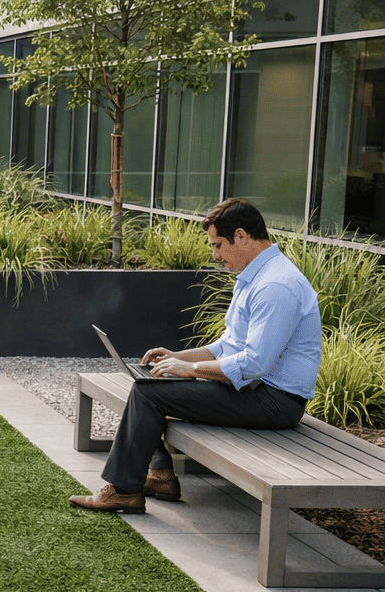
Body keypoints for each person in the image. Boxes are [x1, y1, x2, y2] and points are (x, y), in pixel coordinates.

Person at [70, 198, 322, 514]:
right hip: (253, 391)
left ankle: (125, 492)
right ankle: (159, 476)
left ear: (241, 236)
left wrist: (189, 371)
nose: (215, 254)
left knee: (149, 395)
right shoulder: (255, 277)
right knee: (151, 383)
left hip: (274, 403)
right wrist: (178, 358)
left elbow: (255, 364)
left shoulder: (276, 285)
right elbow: (228, 346)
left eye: (218, 245)